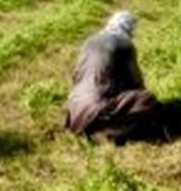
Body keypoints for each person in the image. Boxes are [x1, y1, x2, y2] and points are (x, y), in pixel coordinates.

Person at [64, 10, 166, 143]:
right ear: (129, 29)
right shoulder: (125, 43)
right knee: (147, 99)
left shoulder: (89, 41)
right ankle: (108, 133)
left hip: (75, 111)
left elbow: (77, 76)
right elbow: (136, 83)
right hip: (96, 110)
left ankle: (88, 129)